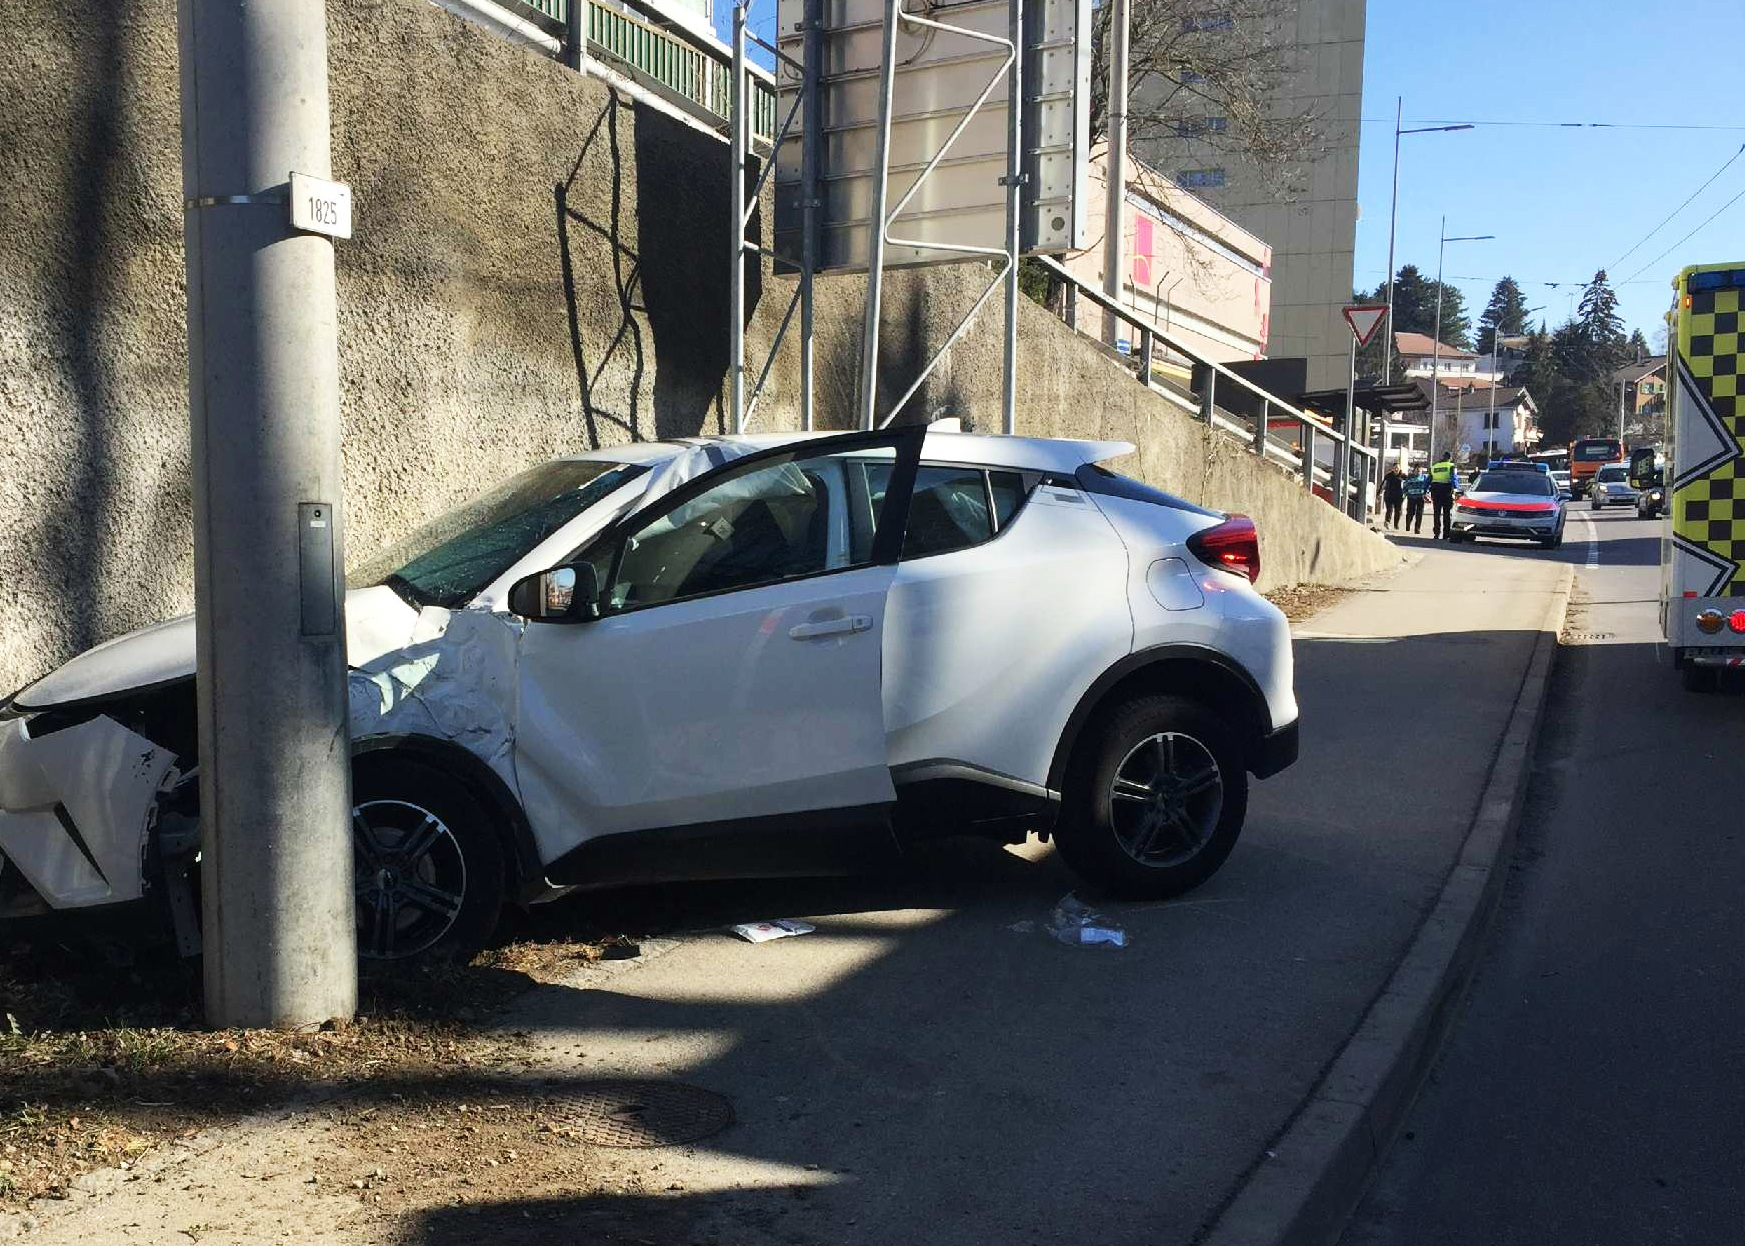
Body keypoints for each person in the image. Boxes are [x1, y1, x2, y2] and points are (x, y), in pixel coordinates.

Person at [1428, 451, 1459, 540]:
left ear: (1443, 457)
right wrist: (1456, 489)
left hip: (1436, 492)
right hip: (1446, 492)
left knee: (1436, 513)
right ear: (1450, 458)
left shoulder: (1435, 466)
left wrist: (1424, 490)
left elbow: (1428, 479)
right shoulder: (1451, 466)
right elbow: (1453, 479)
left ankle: (1436, 533)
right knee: (1447, 513)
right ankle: (1446, 534)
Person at [1403, 464, 1429, 533]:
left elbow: (1427, 486)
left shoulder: (1424, 477)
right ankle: (1408, 523)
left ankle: (1417, 528)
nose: (1418, 471)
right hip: (1411, 497)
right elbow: (1405, 485)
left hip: (1420, 497)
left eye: (1419, 470)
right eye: (1416, 470)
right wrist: (1405, 493)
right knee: (1410, 513)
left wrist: (1426, 493)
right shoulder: (1410, 477)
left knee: (1419, 513)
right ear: (1414, 470)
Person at [1381, 465, 1405, 529]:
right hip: (1389, 495)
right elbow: (1383, 484)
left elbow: (1407, 484)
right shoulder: (1388, 476)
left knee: (1398, 511)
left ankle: (1396, 524)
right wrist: (1379, 493)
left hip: (1399, 496)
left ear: (1400, 468)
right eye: (1395, 468)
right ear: (1392, 469)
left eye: (1397, 468)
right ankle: (1387, 522)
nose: (1396, 469)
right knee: (1389, 509)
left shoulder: (1403, 476)